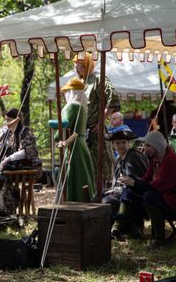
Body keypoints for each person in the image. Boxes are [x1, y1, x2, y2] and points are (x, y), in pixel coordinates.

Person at [119, 131, 176, 246]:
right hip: (170, 197)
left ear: (157, 146)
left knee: (149, 197)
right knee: (129, 191)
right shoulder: (156, 159)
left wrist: (135, 183)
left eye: (148, 145)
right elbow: (146, 180)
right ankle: (131, 228)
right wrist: (130, 181)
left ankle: (159, 240)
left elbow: (157, 188)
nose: (145, 148)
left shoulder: (170, 160)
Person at [74, 53, 121, 189]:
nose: (78, 70)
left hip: (95, 132)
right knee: (86, 171)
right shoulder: (82, 82)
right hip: (83, 132)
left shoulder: (98, 78)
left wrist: (102, 120)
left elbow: (113, 96)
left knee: (98, 171)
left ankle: (100, 200)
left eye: (80, 67)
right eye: (76, 67)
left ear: (88, 65)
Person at [103, 127, 149, 239]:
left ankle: (117, 229)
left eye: (124, 142)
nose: (121, 145)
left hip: (136, 196)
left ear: (129, 143)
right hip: (124, 193)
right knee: (99, 195)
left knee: (106, 201)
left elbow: (139, 180)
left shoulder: (133, 156)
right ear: (113, 145)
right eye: (118, 143)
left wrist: (126, 183)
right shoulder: (120, 159)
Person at [57, 78, 95, 202]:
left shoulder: (72, 106)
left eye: (66, 92)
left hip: (74, 145)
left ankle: (75, 202)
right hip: (81, 144)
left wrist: (56, 137)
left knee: (75, 176)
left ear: (72, 92)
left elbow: (63, 126)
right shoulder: (82, 107)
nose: (64, 95)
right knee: (83, 176)